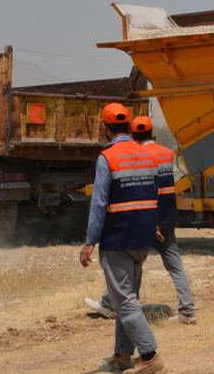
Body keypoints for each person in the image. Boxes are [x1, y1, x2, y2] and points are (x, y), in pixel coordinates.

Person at [79, 103, 165, 374]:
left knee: (124, 301)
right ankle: (122, 355)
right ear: (128, 126)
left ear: (105, 128)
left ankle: (150, 356)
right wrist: (154, 226)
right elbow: (152, 195)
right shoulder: (147, 155)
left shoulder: (107, 157)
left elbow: (99, 203)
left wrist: (90, 241)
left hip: (118, 238)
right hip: (142, 237)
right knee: (126, 299)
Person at [85, 115, 196, 324]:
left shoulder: (141, 155)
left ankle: (119, 308)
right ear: (152, 133)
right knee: (174, 264)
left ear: (133, 135)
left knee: (125, 261)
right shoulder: (166, 154)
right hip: (166, 216)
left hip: (144, 219)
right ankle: (187, 310)